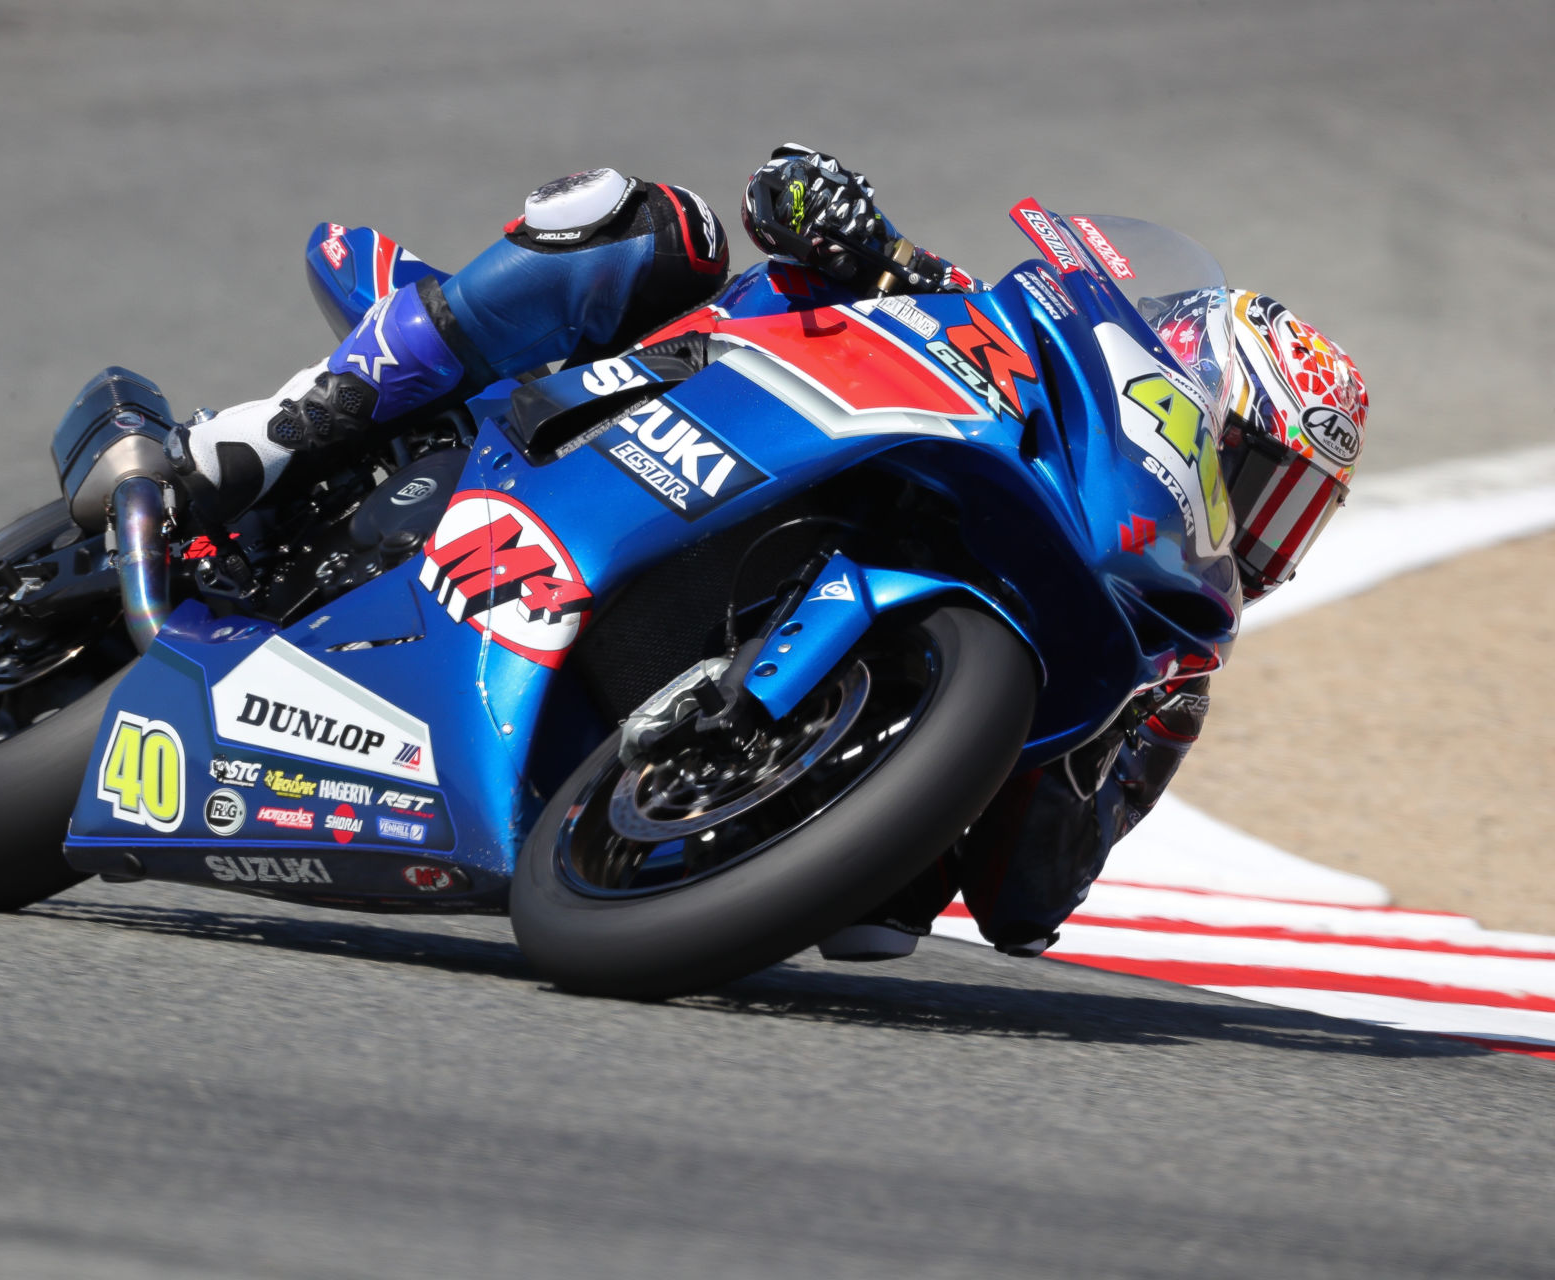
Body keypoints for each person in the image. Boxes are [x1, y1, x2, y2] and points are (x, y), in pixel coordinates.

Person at [176, 145, 1369, 964]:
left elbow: (1027, 908)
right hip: (595, 421)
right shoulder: (973, 322)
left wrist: (1080, 748)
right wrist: (848, 224)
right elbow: (783, 186)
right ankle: (281, 428)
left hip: (717, 859)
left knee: (890, 918)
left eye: (1293, 509)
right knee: (650, 223)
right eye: (1259, 476)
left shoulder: (1158, 683)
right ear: (1183, 390)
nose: (1263, 526)